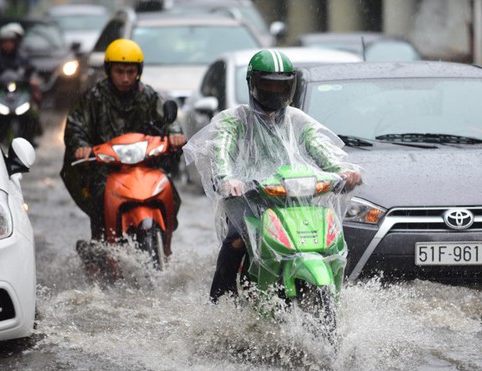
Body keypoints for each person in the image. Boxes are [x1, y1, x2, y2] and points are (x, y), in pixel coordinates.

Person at [184, 49, 361, 302]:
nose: (273, 92)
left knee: (329, 240)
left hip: (294, 202)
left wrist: (342, 172)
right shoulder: (235, 120)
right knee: (236, 243)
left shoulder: (298, 121)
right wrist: (227, 179)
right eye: (266, 85)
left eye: (281, 86)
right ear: (252, 84)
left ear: (290, 87)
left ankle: (335, 297)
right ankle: (220, 305)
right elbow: (221, 150)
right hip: (248, 202)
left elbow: (321, 148)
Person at [60, 38, 186, 242]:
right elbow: (75, 126)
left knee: (170, 192)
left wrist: (174, 134)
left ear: (139, 71)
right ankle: (101, 246)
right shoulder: (94, 97)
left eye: (131, 72)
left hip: (144, 164)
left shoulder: (149, 96)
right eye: (120, 71)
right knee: (99, 200)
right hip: (106, 167)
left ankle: (166, 235)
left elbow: (167, 120)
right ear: (109, 70)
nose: (126, 78)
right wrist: (82, 146)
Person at [0, 22, 42, 145]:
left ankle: (31, 136)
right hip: (0, 92)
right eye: (5, 42)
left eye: (10, 42)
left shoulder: (22, 56)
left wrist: (32, 79)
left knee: (31, 112)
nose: (8, 45)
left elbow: (32, 71)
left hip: (19, 93)